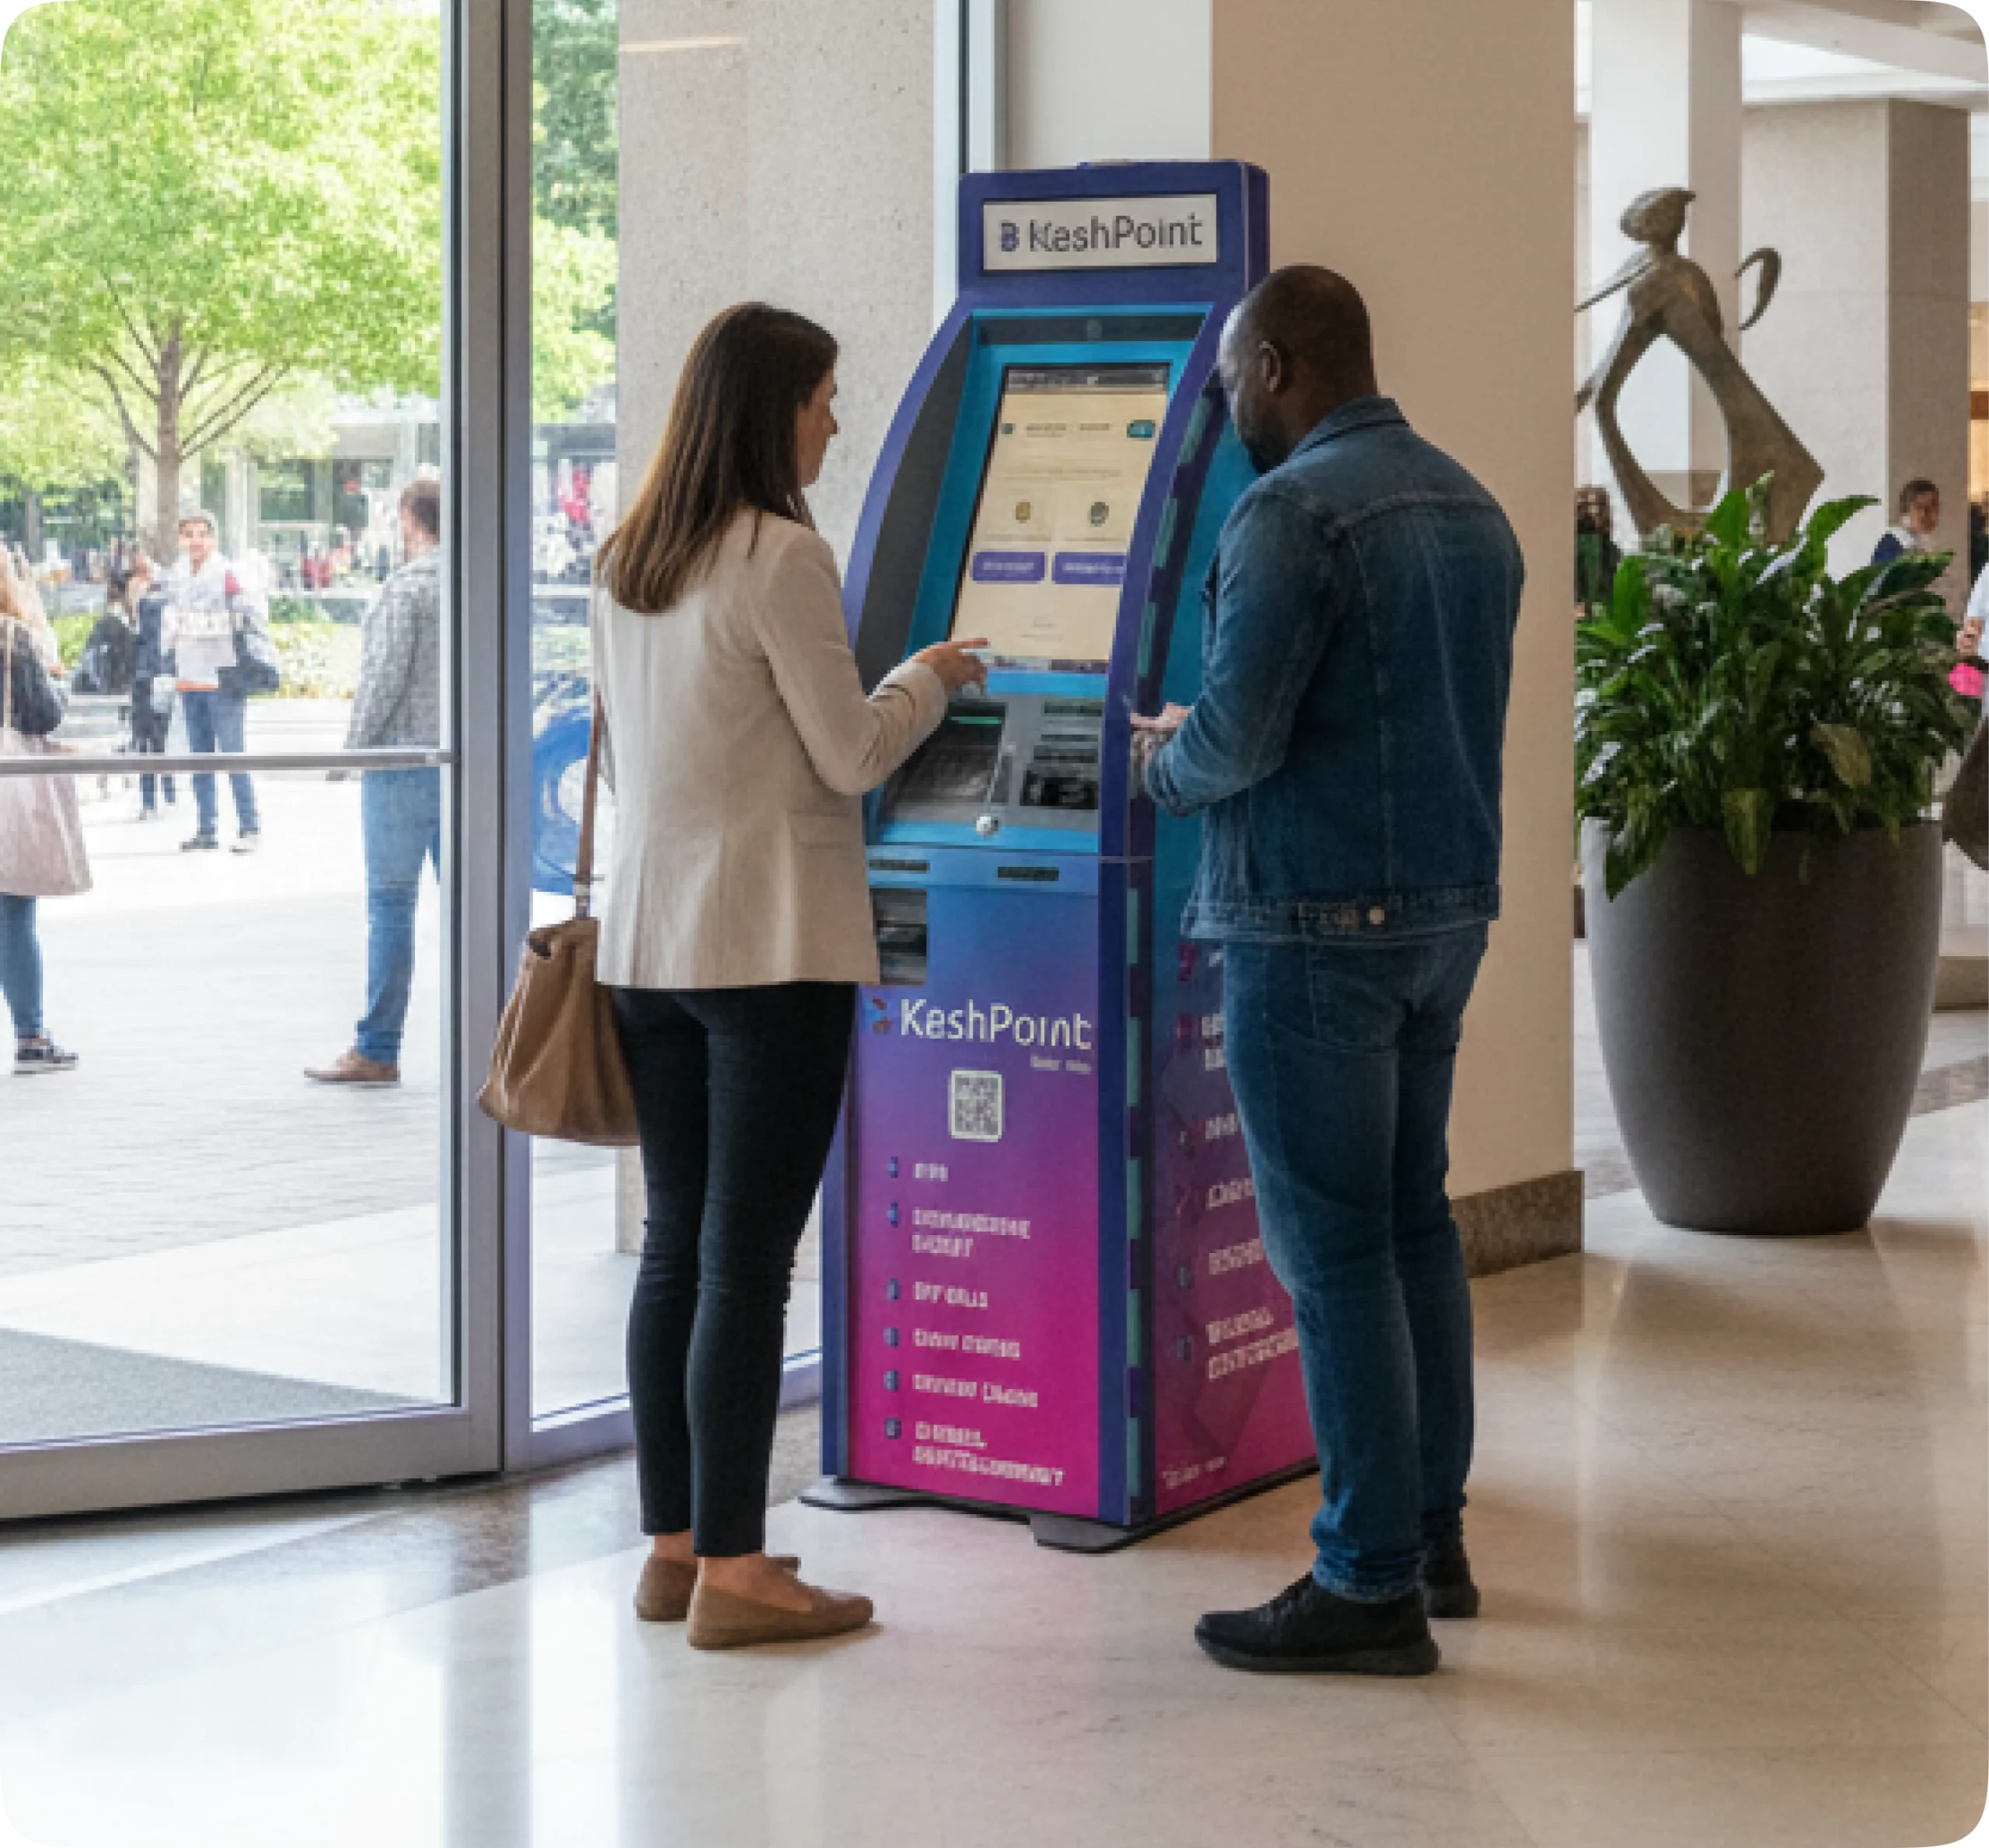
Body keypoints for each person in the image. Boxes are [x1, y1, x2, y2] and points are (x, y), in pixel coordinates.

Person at [1134, 267, 1524, 1677]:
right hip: (1441, 920)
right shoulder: (1472, 504)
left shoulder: (1286, 511)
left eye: (1236, 377)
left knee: (1335, 1254)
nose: (1229, 403)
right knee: (1414, 1225)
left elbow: (1235, 742)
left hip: (1309, 928)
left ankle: (1366, 1580)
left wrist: (1156, 761)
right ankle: (1432, 1536)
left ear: (1284, 362)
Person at [592, 302, 986, 1651]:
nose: (834, 420)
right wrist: (928, 677)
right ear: (773, 409)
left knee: (678, 1246)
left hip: (650, 945)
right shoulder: (782, 557)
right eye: (823, 396)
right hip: (768, 946)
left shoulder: (627, 559)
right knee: (750, 1263)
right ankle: (746, 1574)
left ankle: (677, 1546)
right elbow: (852, 750)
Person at [306, 481, 445, 1088]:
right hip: (467, 765)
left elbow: (383, 679)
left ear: (410, 519)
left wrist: (352, 754)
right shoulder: (479, 579)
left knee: (392, 906)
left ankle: (378, 1046)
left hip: (400, 768)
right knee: (474, 907)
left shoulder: (409, 587)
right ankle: (501, 1039)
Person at [0, 549, 82, 1074]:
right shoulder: (13, 637)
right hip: (8, 783)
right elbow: (45, 713)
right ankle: (31, 1036)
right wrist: (58, 675)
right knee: (12, 913)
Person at [164, 510, 266, 854]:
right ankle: (207, 827)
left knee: (234, 755)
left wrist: (213, 621)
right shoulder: (176, 575)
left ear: (213, 539)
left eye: (202, 534)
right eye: (188, 534)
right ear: (180, 540)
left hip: (223, 676)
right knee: (200, 759)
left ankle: (249, 826)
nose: (195, 541)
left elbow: (251, 613)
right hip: (190, 675)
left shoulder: (227, 573)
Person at [1575, 483, 1622, 618]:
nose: (1594, 512)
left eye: (1599, 506)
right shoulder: (1577, 545)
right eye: (1585, 506)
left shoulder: (1610, 549)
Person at [1874, 479, 1940, 566]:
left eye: (1933, 507)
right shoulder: (1891, 546)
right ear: (1906, 510)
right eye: (1920, 507)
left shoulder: (1922, 543)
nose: (1926, 514)